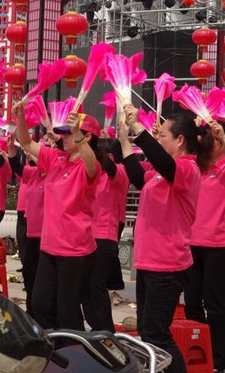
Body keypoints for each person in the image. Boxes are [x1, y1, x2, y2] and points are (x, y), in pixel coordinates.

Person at [119, 108, 203, 373]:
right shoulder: (160, 173)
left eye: (163, 135)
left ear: (180, 140)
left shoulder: (187, 168)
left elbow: (165, 164)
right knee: (147, 331)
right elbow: (137, 176)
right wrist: (124, 140)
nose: (158, 138)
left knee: (157, 333)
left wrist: (139, 129)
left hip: (167, 263)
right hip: (149, 261)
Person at [14, 103, 100, 332]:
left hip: (74, 251)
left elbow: (92, 165)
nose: (64, 138)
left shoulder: (88, 165)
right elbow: (25, 142)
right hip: (49, 246)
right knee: (40, 303)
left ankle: (74, 349)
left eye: (69, 134)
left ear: (86, 137)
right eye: (64, 133)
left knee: (67, 310)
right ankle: (57, 346)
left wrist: (78, 134)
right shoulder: (56, 158)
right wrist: (21, 118)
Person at [183, 117, 225, 373]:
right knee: (191, 303)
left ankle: (219, 362)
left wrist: (224, 136)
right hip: (191, 243)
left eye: (211, 139)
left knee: (214, 304)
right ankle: (196, 354)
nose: (205, 142)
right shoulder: (195, 167)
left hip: (218, 245)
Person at [82, 138, 128, 332]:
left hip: (104, 236)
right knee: (84, 286)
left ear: (108, 156)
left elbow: (110, 167)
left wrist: (87, 141)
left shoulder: (120, 172)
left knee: (95, 285)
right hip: (87, 235)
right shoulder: (95, 174)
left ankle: (105, 331)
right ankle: (96, 328)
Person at [8, 139, 41, 316]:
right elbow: (16, 167)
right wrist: (11, 148)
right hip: (29, 224)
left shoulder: (51, 172)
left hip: (44, 232)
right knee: (28, 269)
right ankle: (31, 310)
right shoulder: (33, 172)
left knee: (39, 274)